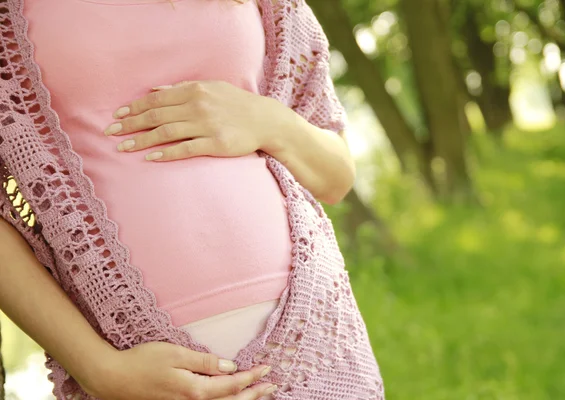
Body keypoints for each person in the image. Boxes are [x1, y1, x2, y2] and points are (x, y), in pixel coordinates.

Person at [0, 0, 384, 399]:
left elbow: (336, 174)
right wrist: (100, 370)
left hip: (316, 335)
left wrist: (269, 121)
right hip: (134, 363)